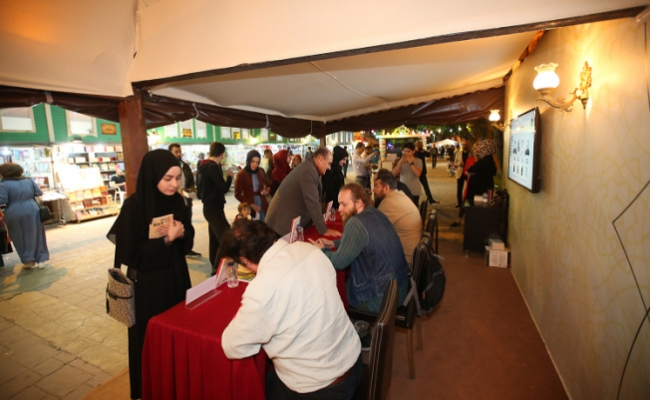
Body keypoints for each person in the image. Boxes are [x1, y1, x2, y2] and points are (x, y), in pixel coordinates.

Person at [221, 220, 362, 399]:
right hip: (353, 360)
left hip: (321, 388)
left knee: (250, 388)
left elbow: (231, 346)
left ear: (244, 261)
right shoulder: (310, 250)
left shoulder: (261, 290)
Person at [107, 150, 193, 400]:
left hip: (176, 278)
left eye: (177, 178)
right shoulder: (135, 206)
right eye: (167, 178)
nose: (174, 184)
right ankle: (150, 389)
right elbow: (130, 253)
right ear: (153, 176)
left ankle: (176, 385)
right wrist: (165, 241)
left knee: (176, 334)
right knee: (149, 340)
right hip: (147, 287)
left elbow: (187, 244)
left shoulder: (179, 202)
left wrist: (182, 235)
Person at [312, 183, 409, 314]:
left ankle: (354, 326)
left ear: (358, 203)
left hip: (381, 297)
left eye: (344, 204)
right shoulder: (375, 212)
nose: (339, 209)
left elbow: (338, 262)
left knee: (333, 292)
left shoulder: (355, 223)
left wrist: (322, 250)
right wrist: (334, 244)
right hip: (400, 288)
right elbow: (364, 238)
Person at [266, 147, 342, 237]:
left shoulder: (310, 168)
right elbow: (312, 201)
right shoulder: (308, 171)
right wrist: (323, 230)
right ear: (321, 159)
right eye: (329, 163)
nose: (329, 167)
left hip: (287, 221)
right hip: (281, 223)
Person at [0, 163, 49, 269]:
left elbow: (2, 200)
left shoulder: (4, 184)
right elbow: (39, 193)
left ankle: (28, 260)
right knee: (37, 234)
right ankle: (41, 260)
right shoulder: (29, 180)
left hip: (14, 211)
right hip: (32, 208)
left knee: (19, 236)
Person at [373, 169, 422, 265]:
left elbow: (371, 232)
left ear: (386, 188)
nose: (373, 189)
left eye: (376, 186)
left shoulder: (389, 203)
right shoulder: (400, 194)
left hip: (404, 263)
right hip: (413, 257)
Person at [197, 142, 234, 270]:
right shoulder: (212, 167)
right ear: (222, 154)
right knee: (226, 238)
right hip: (214, 208)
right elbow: (223, 187)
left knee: (214, 238)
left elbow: (199, 191)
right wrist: (230, 177)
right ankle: (217, 269)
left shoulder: (202, 165)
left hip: (209, 207)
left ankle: (214, 263)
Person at [451, 139, 496, 227]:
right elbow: (467, 170)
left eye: (479, 148)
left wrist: (471, 171)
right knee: (467, 202)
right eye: (475, 148)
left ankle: (473, 223)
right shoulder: (474, 159)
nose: (477, 150)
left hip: (479, 189)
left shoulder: (485, 159)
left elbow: (473, 169)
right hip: (474, 187)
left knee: (476, 205)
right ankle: (461, 219)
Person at [168, 143, 201, 257]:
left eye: (180, 152)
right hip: (173, 204)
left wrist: (191, 189)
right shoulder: (167, 168)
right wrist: (176, 191)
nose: (179, 154)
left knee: (187, 226)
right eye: (176, 152)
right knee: (175, 226)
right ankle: (176, 251)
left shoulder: (185, 166)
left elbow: (190, 181)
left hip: (186, 202)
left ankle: (187, 249)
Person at [234, 150, 271, 221]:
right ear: (248, 161)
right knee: (252, 224)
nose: (255, 165)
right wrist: (252, 205)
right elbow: (237, 194)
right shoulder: (241, 174)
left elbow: (268, 185)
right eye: (253, 161)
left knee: (264, 223)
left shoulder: (261, 171)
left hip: (262, 203)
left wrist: (266, 191)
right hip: (249, 204)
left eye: (257, 162)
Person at [392, 142, 423, 206]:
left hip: (414, 191)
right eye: (405, 151)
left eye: (408, 151)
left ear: (413, 151)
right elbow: (393, 174)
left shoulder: (418, 161)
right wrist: (400, 163)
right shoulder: (401, 161)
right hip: (402, 191)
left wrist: (410, 162)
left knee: (414, 209)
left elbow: (418, 174)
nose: (406, 153)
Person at [454, 138, 471, 208]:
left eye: (465, 144)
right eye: (463, 145)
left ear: (468, 145)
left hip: (468, 173)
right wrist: (459, 164)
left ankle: (467, 202)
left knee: (469, 188)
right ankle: (459, 202)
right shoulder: (458, 153)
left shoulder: (471, 153)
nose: (464, 146)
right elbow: (455, 163)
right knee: (459, 188)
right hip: (460, 172)